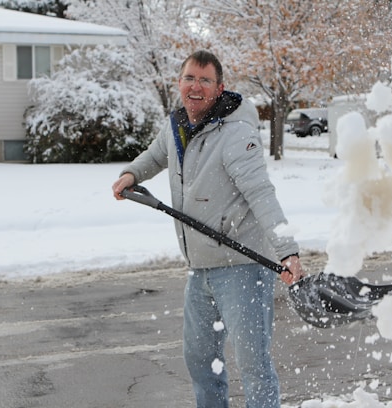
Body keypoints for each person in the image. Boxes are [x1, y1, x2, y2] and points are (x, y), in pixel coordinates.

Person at [112, 50, 304, 408]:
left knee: (253, 365)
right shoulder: (176, 126)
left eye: (205, 80)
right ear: (179, 83)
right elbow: (156, 155)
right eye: (190, 78)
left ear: (220, 88)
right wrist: (132, 173)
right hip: (199, 269)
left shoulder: (235, 134)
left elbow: (262, 195)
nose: (195, 87)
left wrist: (287, 251)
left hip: (243, 269)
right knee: (200, 361)